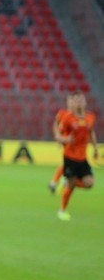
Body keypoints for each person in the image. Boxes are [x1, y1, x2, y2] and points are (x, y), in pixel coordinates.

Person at [54, 91, 97, 221]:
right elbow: (58, 134)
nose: (79, 102)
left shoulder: (90, 117)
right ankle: (62, 210)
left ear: (85, 102)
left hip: (82, 158)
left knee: (89, 183)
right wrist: (64, 140)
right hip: (70, 157)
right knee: (71, 187)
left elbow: (91, 133)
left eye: (81, 100)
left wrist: (95, 148)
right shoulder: (68, 118)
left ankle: (66, 181)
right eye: (77, 100)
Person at [48, 94, 74, 194]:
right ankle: (58, 182)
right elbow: (56, 125)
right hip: (66, 142)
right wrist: (59, 138)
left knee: (67, 164)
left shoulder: (80, 116)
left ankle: (55, 182)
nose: (72, 103)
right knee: (67, 163)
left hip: (75, 144)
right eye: (70, 101)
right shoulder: (63, 114)